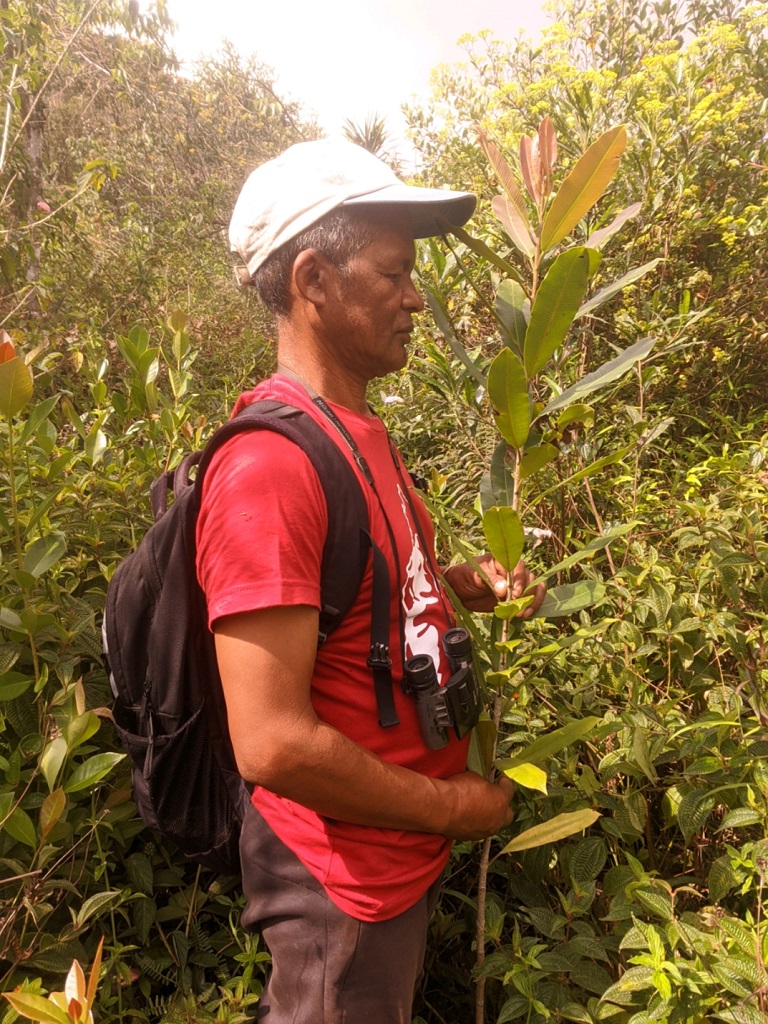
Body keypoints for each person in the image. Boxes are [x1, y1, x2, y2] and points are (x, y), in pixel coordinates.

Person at [196, 139, 545, 1023]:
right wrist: (451, 808)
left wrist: (458, 584)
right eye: (394, 272)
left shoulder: (356, 433)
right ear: (313, 280)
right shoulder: (272, 470)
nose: (416, 296)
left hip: (391, 862)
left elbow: (358, 600)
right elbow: (270, 742)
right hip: (338, 888)